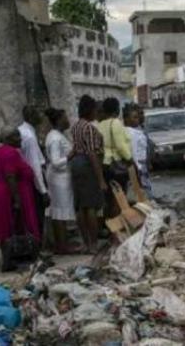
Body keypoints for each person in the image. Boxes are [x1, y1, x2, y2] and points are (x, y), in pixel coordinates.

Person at [0, 128, 41, 271]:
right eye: (16, 137)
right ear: (8, 139)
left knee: (4, 227)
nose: (20, 140)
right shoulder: (11, 153)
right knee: (13, 226)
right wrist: (17, 198)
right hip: (8, 192)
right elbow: (10, 175)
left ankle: (9, 259)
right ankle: (15, 259)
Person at [70, 95, 106, 254]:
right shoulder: (89, 128)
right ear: (90, 110)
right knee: (90, 206)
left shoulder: (76, 126)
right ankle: (93, 244)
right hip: (87, 165)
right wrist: (101, 179)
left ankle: (85, 242)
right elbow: (92, 153)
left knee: (80, 206)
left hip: (76, 164)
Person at [44, 108, 77, 254]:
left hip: (61, 178)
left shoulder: (57, 135)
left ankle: (62, 243)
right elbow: (55, 161)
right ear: (58, 121)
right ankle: (62, 246)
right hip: (59, 179)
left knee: (60, 212)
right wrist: (71, 156)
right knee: (60, 213)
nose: (68, 120)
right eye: (65, 118)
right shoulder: (55, 138)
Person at [97, 97, 133, 217]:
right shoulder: (116, 123)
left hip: (105, 165)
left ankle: (110, 227)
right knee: (119, 198)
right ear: (116, 109)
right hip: (117, 164)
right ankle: (116, 232)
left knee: (109, 199)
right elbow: (120, 146)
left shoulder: (100, 125)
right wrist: (129, 159)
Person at [17, 106, 48, 233]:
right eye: (38, 114)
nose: (41, 116)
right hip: (32, 181)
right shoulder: (29, 136)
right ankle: (39, 245)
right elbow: (34, 164)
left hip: (26, 179)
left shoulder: (25, 131)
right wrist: (43, 190)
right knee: (37, 214)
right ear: (31, 117)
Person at [124, 105, 153, 199]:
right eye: (135, 117)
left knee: (145, 187)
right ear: (127, 119)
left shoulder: (139, 131)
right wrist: (138, 167)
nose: (139, 118)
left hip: (142, 164)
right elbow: (133, 150)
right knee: (144, 189)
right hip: (138, 165)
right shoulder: (131, 133)